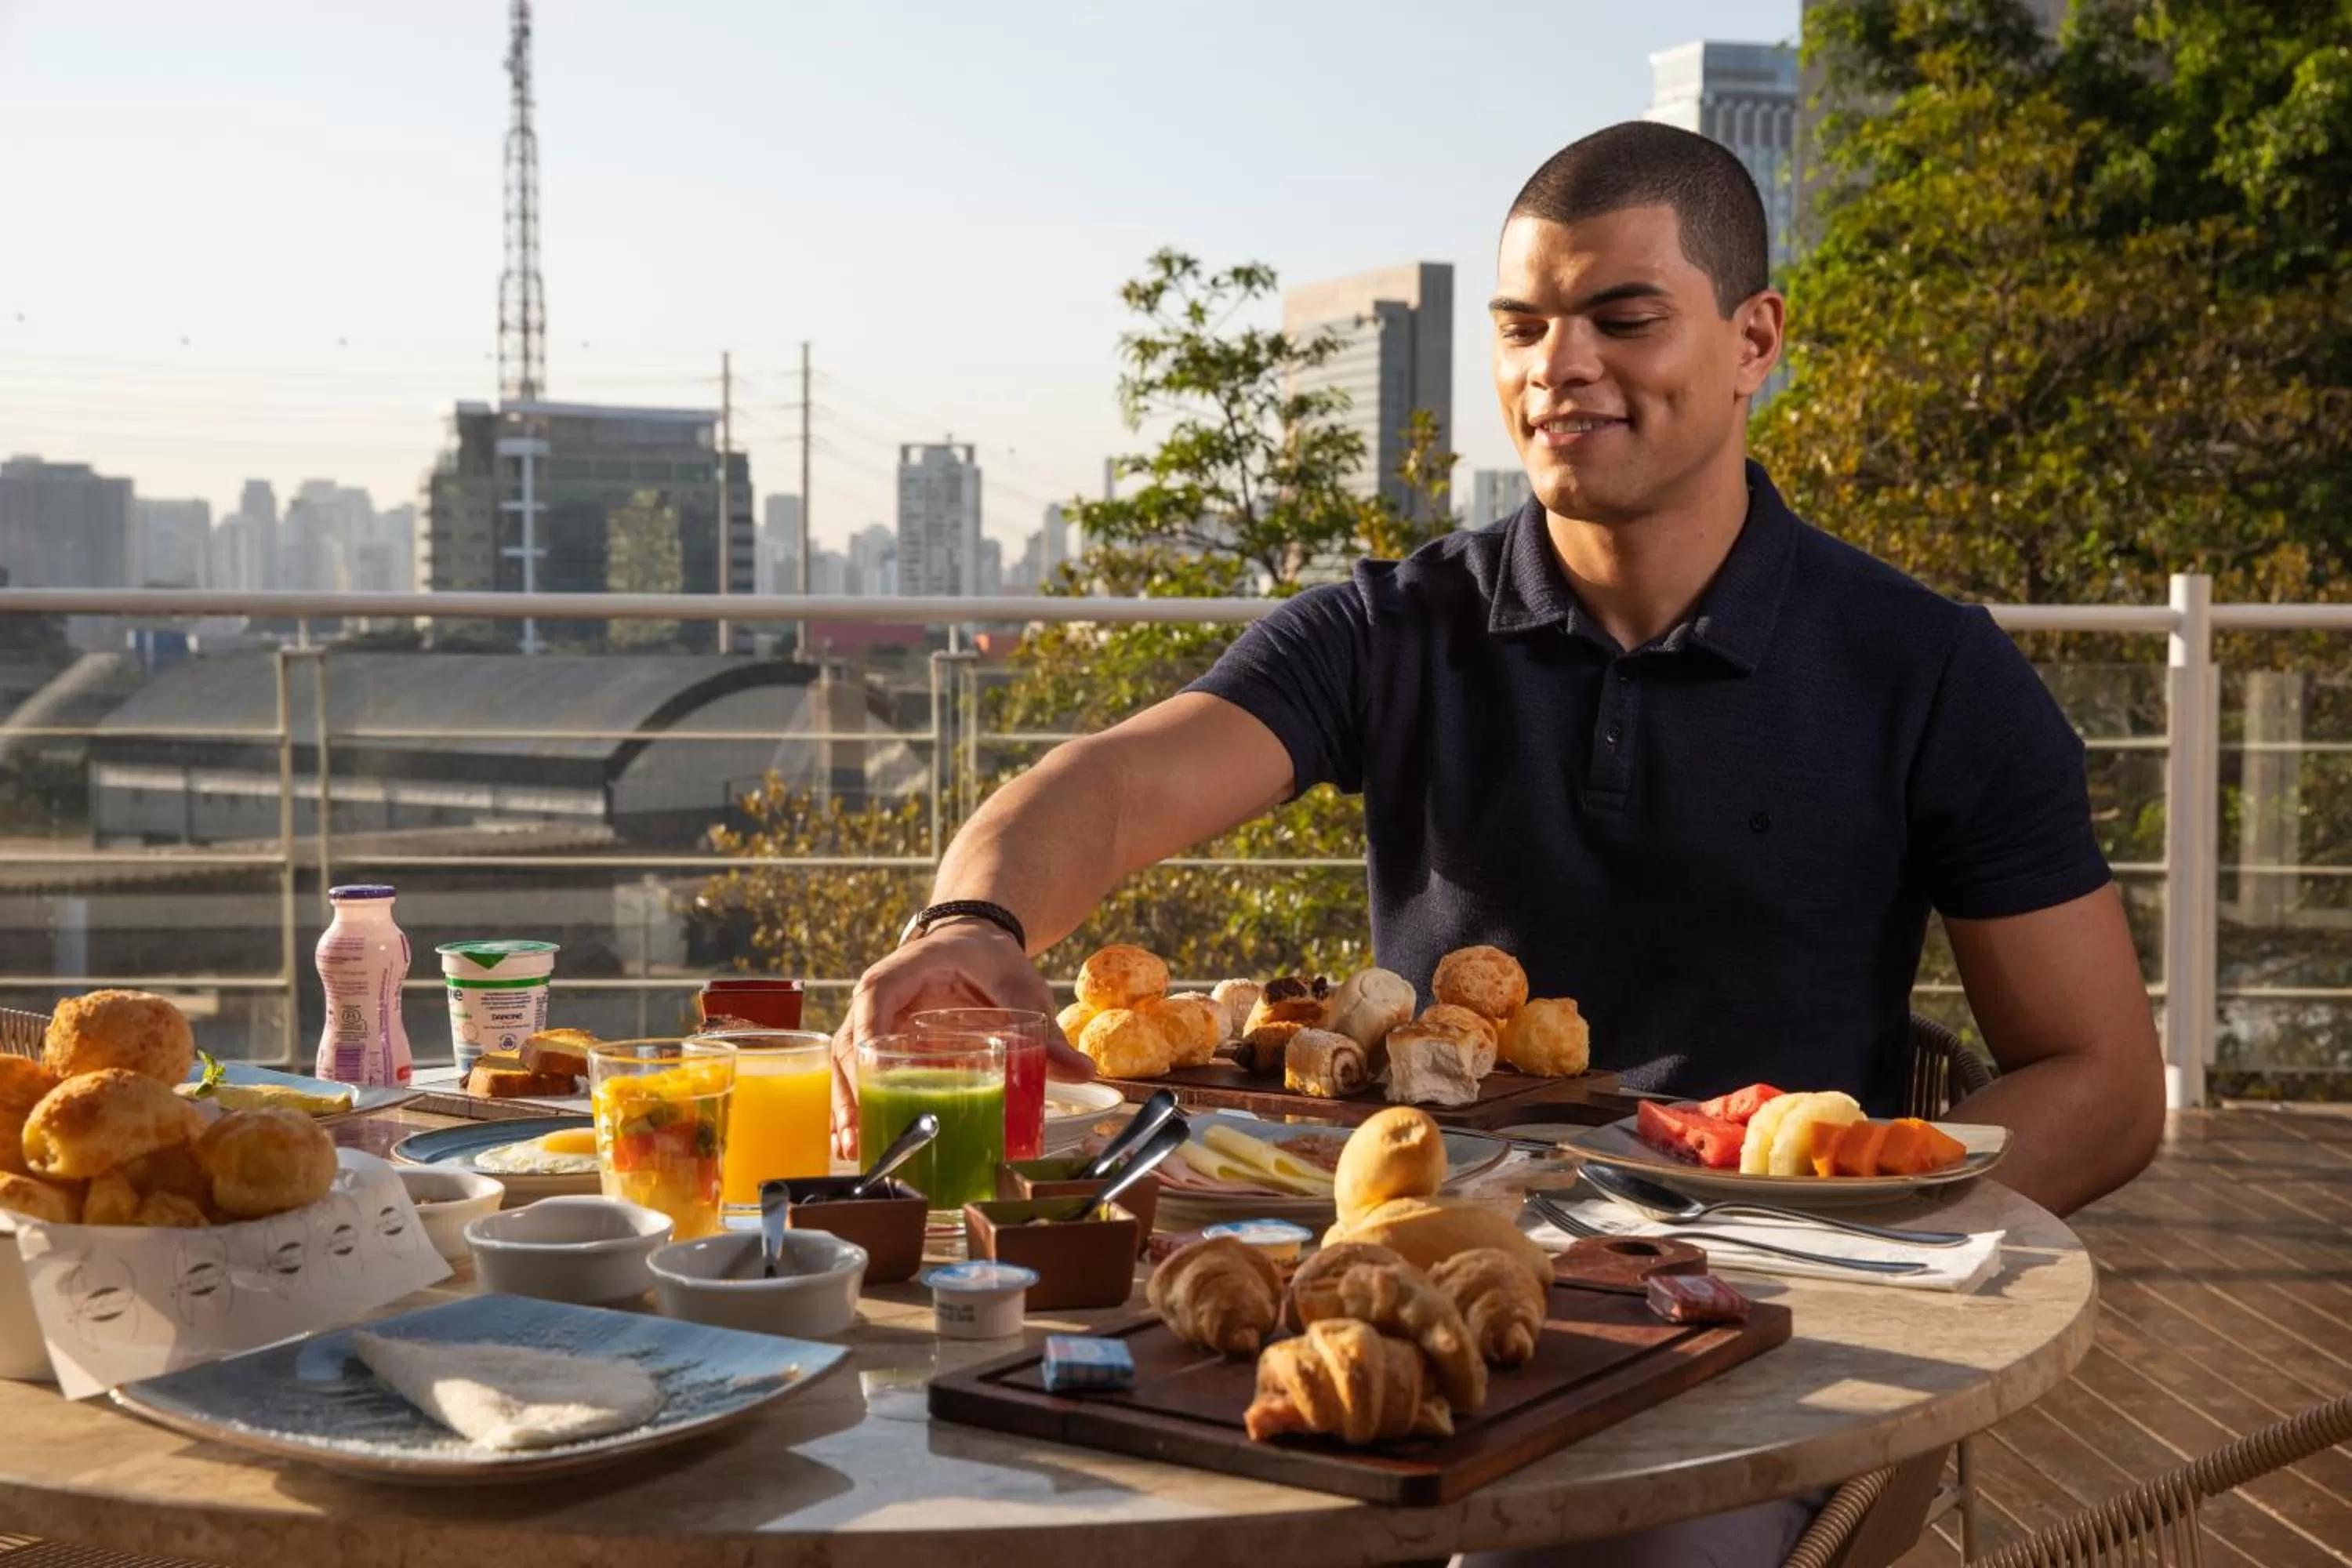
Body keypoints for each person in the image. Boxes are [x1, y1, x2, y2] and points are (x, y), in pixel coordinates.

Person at [839, 120, 2166, 1563]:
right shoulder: (1395, 627)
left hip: (1730, 1338)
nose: (1560, 367)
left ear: (1755, 338)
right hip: (1385, 1280)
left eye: (1623, 317)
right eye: (1524, 325)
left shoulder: (1928, 671)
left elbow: (2104, 1080)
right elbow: (1109, 783)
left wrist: (1846, 1232)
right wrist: (968, 926)